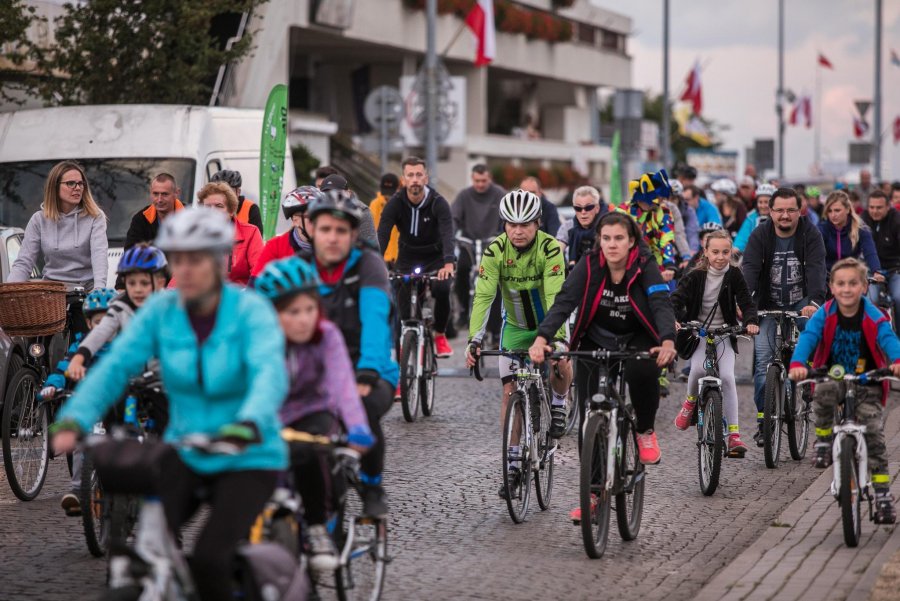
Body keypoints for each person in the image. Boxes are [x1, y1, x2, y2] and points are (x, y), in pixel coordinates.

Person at [51, 207, 288, 601]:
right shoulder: (162, 311)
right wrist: (75, 419)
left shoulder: (250, 311)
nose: (187, 269)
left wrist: (249, 421)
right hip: (187, 448)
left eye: (197, 259)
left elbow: (269, 375)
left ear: (220, 260)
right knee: (146, 552)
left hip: (248, 453)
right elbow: (116, 365)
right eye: (179, 259)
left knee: (213, 559)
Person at [531, 211, 677, 475]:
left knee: (642, 372)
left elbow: (660, 303)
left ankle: (644, 431)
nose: (612, 244)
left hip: (637, 336)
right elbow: (564, 303)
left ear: (631, 241)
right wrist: (542, 339)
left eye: (619, 238)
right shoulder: (588, 265)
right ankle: (594, 494)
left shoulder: (645, 265)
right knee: (590, 414)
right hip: (596, 336)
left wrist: (667, 340)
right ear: (599, 240)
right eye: (607, 238)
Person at [253, 256, 375, 571]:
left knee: (310, 452)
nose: (305, 319)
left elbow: (343, 385)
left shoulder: (327, 335)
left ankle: (318, 527)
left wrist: (358, 426)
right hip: (270, 414)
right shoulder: (257, 339)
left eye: (310, 309)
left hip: (314, 410)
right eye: (293, 312)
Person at [464, 190, 572, 496]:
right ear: (504, 225)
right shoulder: (495, 250)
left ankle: (560, 402)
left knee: (562, 360)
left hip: (548, 324)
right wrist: (474, 339)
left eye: (525, 224)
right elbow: (484, 295)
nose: (518, 230)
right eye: (511, 224)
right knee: (510, 392)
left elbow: (555, 295)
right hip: (515, 328)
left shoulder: (550, 248)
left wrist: (556, 338)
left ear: (538, 223)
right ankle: (512, 467)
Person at [302, 189, 398, 518]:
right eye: (325, 229)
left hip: (367, 367)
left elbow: (375, 317)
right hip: (314, 370)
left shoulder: (368, 266)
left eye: (341, 231)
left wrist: (368, 370)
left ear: (353, 234)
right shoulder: (299, 268)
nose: (332, 238)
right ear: (311, 229)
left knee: (363, 409)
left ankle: (372, 486)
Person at [789, 258, 900, 524]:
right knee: (824, 392)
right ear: (832, 287)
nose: (847, 289)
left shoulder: (873, 313)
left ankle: (883, 493)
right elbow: (809, 338)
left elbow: (887, 337)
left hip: (868, 381)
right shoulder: (825, 312)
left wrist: (896, 361)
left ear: (864, 287)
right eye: (841, 284)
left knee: (874, 434)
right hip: (833, 374)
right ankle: (825, 440)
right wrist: (797, 363)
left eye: (853, 283)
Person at [741, 187, 826, 445]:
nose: (785, 215)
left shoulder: (811, 234)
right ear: (770, 211)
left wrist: (813, 302)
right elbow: (750, 270)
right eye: (780, 210)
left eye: (791, 210)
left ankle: (807, 374)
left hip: (801, 302)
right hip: (768, 303)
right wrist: (746, 306)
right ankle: (764, 420)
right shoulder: (759, 235)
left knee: (808, 335)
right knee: (763, 362)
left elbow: (816, 268)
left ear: (800, 211)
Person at [671, 230, 759, 456]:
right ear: (706, 253)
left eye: (725, 252)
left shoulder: (734, 275)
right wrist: (673, 319)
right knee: (698, 369)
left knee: (728, 378)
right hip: (698, 331)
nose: (721, 257)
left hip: (724, 333)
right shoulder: (694, 275)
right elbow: (677, 298)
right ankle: (690, 402)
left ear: (731, 253)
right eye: (716, 252)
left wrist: (750, 322)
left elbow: (747, 302)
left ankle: (734, 435)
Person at [40, 287, 117, 516]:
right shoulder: (80, 346)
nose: (102, 329)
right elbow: (63, 367)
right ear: (88, 323)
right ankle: (78, 491)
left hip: (116, 405)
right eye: (97, 322)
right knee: (81, 446)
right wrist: (52, 386)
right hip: (88, 406)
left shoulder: (123, 346)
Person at [376, 156, 456, 358]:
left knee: (442, 288)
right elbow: (383, 233)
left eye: (419, 175)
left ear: (426, 178)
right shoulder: (395, 203)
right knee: (402, 300)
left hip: (435, 258)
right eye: (410, 175)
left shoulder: (438, 203)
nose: (415, 180)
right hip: (407, 258)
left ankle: (439, 335)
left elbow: (448, 232)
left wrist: (448, 263)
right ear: (403, 180)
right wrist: (376, 262)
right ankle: (406, 349)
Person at [65, 244, 169, 381]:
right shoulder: (119, 307)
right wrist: (78, 359)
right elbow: (100, 333)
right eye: (132, 283)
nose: (137, 289)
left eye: (144, 283)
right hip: (132, 379)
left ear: (160, 283)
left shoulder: (170, 307)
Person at [9, 160, 109, 292]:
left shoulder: (95, 216)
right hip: (51, 292)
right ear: (54, 187)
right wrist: (8, 292)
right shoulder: (38, 219)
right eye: (71, 183)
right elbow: (24, 262)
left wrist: (99, 289)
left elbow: (99, 255)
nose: (78, 188)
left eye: (80, 183)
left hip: (85, 291)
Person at [452, 164, 506, 321]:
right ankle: (463, 309)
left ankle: (496, 324)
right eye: (477, 181)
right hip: (469, 244)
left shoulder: (499, 194)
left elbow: (508, 218)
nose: (480, 184)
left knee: (496, 279)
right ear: (472, 179)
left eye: (484, 180)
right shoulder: (464, 196)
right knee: (461, 270)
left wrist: (502, 235)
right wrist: (452, 235)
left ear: (490, 178)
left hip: (493, 244)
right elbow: (453, 217)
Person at [196, 181, 263, 286]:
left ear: (231, 211)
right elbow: (180, 275)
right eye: (207, 207)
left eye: (219, 206)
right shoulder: (193, 236)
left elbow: (259, 272)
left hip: (239, 297)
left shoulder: (250, 233)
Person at [251, 186, 325, 278]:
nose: (320, 223)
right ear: (296, 220)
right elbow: (255, 285)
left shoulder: (333, 244)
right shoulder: (276, 246)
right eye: (313, 217)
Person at [819, 190, 881, 278]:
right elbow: (813, 255)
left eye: (837, 210)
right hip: (827, 276)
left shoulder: (861, 229)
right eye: (829, 211)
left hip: (852, 275)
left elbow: (870, 252)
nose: (833, 215)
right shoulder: (821, 229)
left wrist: (876, 271)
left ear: (848, 209)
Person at [863, 190, 900, 330]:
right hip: (871, 271)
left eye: (879, 207)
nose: (874, 211)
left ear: (888, 207)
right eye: (871, 207)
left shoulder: (896, 219)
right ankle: (872, 336)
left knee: (898, 297)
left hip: (895, 270)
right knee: (872, 300)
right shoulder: (863, 219)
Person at [316, 169, 378, 248]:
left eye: (338, 193)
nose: (333, 197)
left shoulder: (362, 211)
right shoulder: (318, 210)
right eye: (327, 194)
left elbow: (371, 245)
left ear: (348, 193)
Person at [124, 173, 185, 250]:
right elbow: (131, 253)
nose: (159, 200)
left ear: (176, 193)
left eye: (165, 194)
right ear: (150, 193)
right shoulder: (140, 219)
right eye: (155, 194)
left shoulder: (191, 217)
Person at [556, 185, 609, 267]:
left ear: (597, 208)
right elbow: (555, 252)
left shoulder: (607, 226)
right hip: (575, 273)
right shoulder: (568, 226)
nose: (583, 212)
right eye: (578, 208)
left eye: (588, 207)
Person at [210, 169, 264, 234]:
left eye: (229, 191)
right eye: (219, 191)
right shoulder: (209, 207)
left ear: (238, 192)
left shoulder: (251, 208)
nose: (224, 195)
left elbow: (257, 239)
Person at [369, 173, 401, 264]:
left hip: (398, 259)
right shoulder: (375, 205)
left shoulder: (402, 204)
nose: (387, 196)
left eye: (391, 192)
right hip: (381, 257)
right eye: (385, 192)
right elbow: (372, 231)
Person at [734, 183, 775, 253]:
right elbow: (741, 238)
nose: (763, 205)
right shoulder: (751, 218)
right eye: (760, 202)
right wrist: (736, 249)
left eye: (766, 202)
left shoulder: (778, 217)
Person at [671, 179, 700, 256]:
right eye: (667, 199)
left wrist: (692, 251)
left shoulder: (688, 211)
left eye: (673, 199)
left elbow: (692, 232)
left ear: (679, 199)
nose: (670, 203)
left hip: (682, 250)